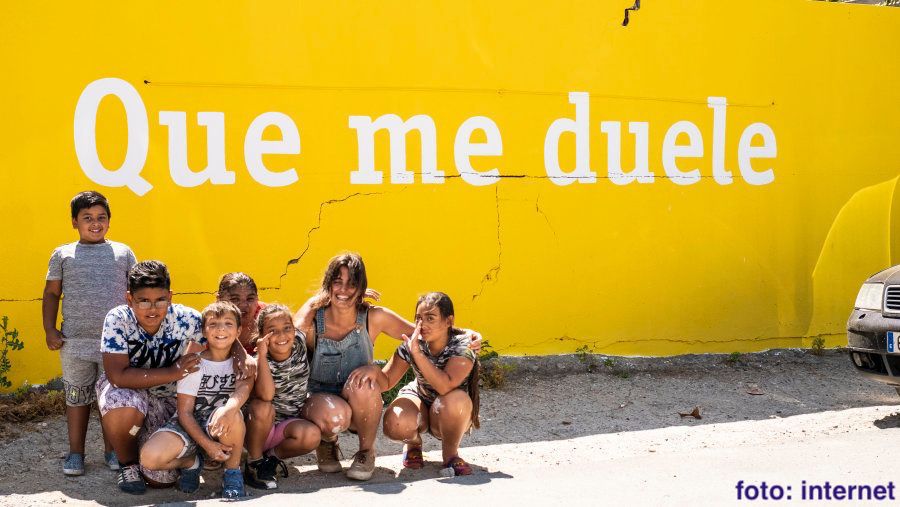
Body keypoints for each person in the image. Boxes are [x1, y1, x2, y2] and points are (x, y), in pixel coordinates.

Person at [292, 252, 481, 481]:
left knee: (365, 382)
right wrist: (320, 299)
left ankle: (365, 452)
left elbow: (421, 331)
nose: (343, 290)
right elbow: (292, 334)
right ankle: (327, 441)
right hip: (323, 403)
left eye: (352, 284)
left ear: (361, 288)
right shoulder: (314, 319)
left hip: (358, 399)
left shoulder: (374, 317)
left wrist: (465, 334)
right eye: (337, 282)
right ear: (328, 285)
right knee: (335, 415)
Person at [96, 260, 252, 494]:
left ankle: (191, 460)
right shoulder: (118, 319)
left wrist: (242, 354)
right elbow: (117, 376)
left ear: (170, 297)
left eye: (160, 300)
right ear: (129, 299)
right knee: (122, 405)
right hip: (129, 391)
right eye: (143, 301)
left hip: (169, 396)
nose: (152, 309)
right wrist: (173, 372)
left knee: (161, 478)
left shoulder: (185, 319)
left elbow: (220, 333)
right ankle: (127, 464)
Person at [42, 190, 136, 476]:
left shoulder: (123, 253)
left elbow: (135, 294)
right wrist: (50, 329)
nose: (95, 223)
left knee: (112, 399)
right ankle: (76, 453)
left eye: (101, 217)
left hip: (115, 345)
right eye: (87, 218)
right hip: (74, 343)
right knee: (77, 397)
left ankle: (112, 450)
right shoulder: (63, 254)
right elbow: (51, 293)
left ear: (109, 220)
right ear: (74, 222)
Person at [139, 301, 252, 499]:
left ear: (238, 330)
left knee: (231, 413)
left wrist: (229, 408)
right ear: (204, 331)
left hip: (221, 423)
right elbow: (185, 412)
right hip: (190, 422)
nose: (221, 329)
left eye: (228, 323)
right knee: (149, 458)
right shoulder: (194, 363)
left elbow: (244, 387)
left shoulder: (242, 362)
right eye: (213, 324)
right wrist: (207, 445)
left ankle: (232, 472)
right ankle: (192, 462)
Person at [379, 292, 480, 476]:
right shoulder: (412, 344)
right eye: (418, 318)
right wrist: (369, 372)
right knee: (395, 423)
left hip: (450, 409)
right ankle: (413, 444)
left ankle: (450, 454)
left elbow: (445, 386)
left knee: (455, 400)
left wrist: (417, 354)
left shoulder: (464, 345)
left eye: (430, 318)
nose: (422, 324)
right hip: (419, 396)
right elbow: (385, 381)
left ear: (449, 321)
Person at [243, 304, 320, 490]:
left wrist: (358, 297)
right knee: (262, 407)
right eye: (272, 331)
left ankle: (270, 459)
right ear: (262, 336)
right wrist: (262, 356)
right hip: (258, 431)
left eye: (287, 328)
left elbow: (311, 307)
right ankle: (254, 462)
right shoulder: (257, 361)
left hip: (285, 428)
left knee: (312, 435)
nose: (282, 335)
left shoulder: (299, 341)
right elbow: (266, 395)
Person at [216, 272, 265, 355]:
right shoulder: (208, 322)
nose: (243, 305)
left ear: (257, 298)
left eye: (250, 299)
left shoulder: (268, 317)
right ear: (219, 299)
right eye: (235, 299)